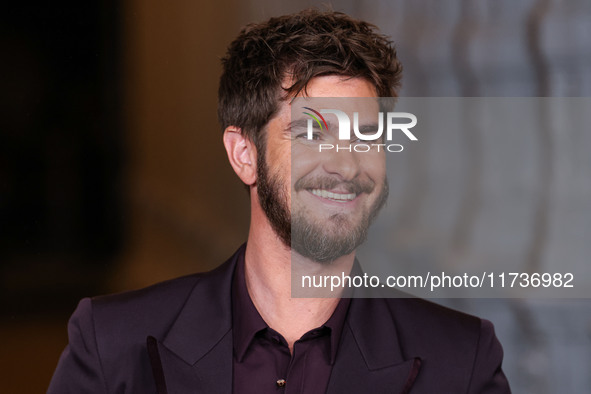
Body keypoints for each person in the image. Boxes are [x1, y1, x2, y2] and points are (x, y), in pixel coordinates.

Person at [48, 9, 510, 394]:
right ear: (244, 154)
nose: (346, 166)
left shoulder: (462, 363)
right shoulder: (110, 346)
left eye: (367, 137)